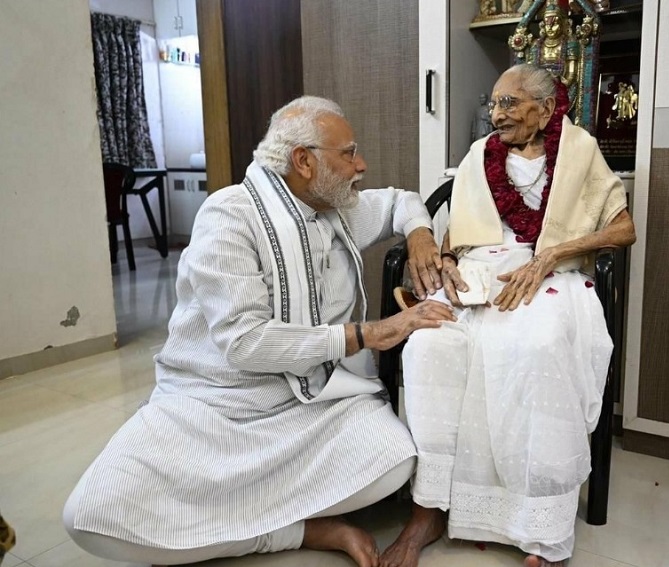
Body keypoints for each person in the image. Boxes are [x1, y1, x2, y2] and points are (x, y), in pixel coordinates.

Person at [63, 96, 455, 567]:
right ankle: (298, 530)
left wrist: (420, 235)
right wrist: (366, 334)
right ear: (304, 161)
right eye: (348, 153)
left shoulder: (337, 207)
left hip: (310, 402)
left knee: (395, 460)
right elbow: (245, 342)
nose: (361, 164)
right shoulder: (228, 217)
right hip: (214, 405)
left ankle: (240, 518)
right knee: (91, 515)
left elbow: (401, 201)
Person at [380, 64, 636, 567]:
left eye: (509, 104)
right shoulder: (480, 155)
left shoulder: (580, 149)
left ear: (544, 108)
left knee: (534, 345)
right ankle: (430, 505)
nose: (496, 115)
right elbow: (458, 229)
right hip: (482, 268)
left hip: (553, 270)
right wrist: (449, 261)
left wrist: (551, 255)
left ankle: (540, 527)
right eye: (493, 104)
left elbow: (622, 228)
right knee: (431, 342)